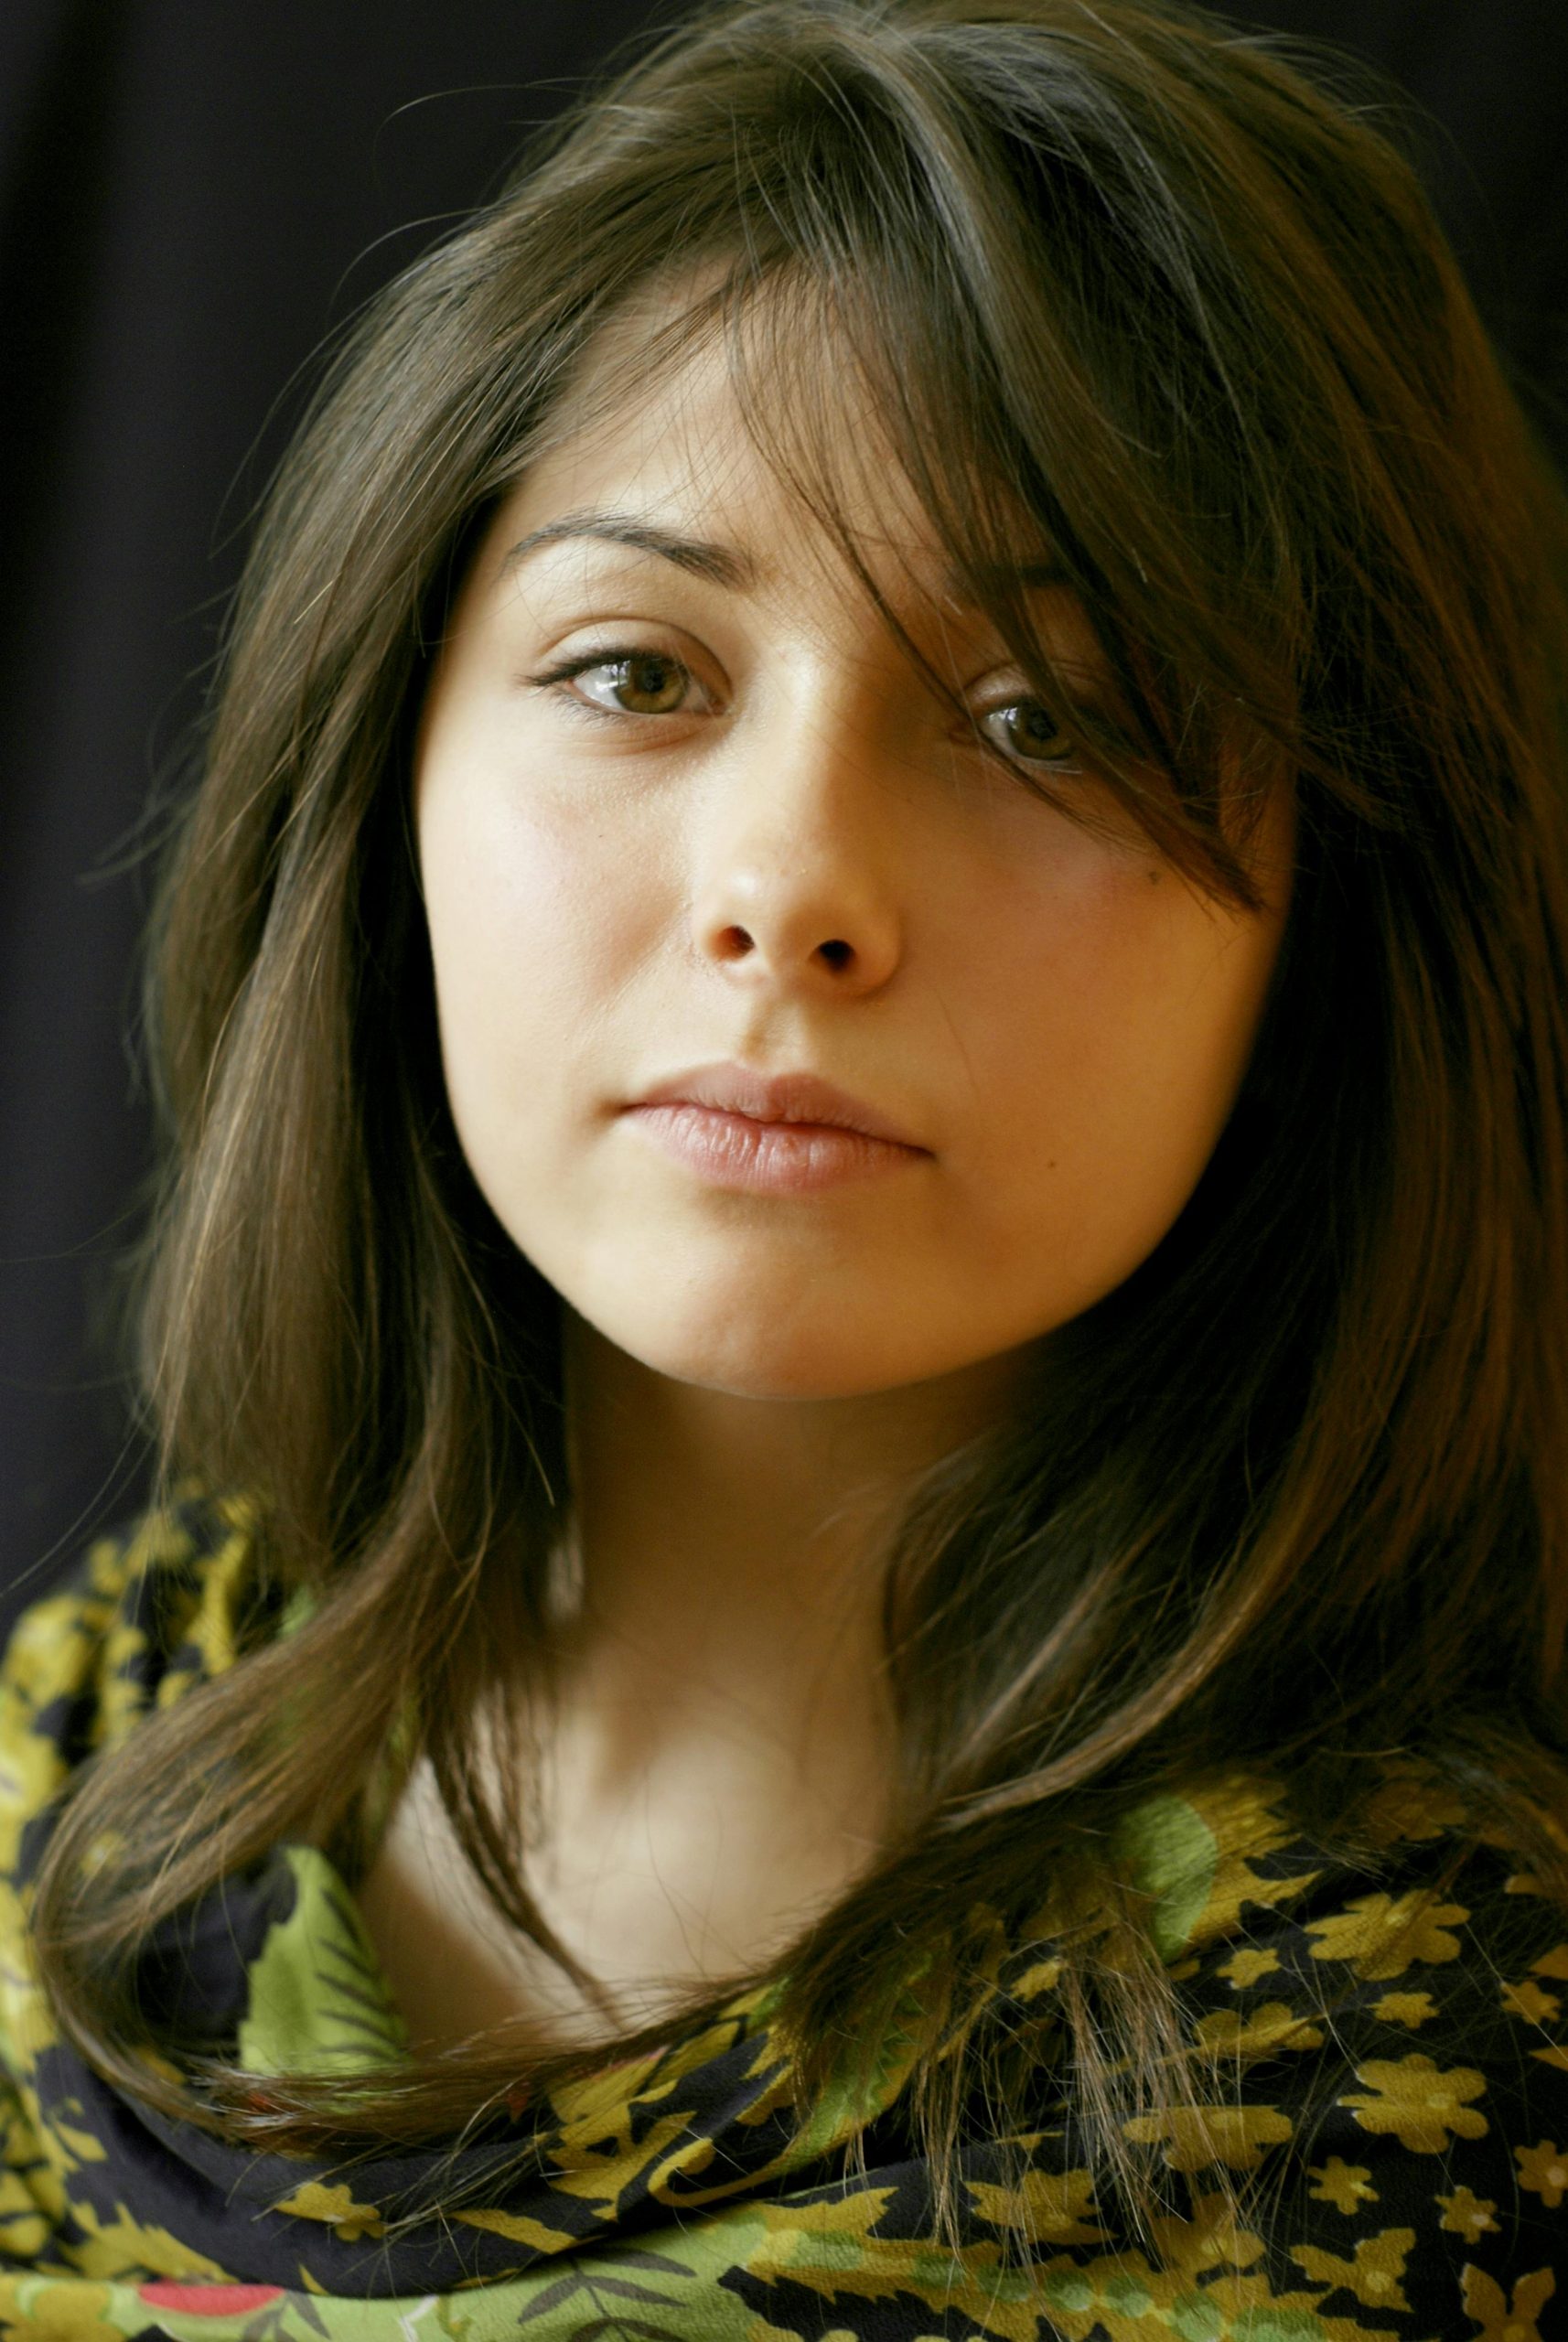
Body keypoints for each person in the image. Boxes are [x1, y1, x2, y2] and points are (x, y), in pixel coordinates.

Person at [0, 0, 1564, 2334]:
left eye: (1047, 718)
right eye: (639, 670)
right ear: (388, 777)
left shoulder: (1431, 2065)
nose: (792, 881)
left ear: (1333, 913)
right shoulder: (98, 1750)